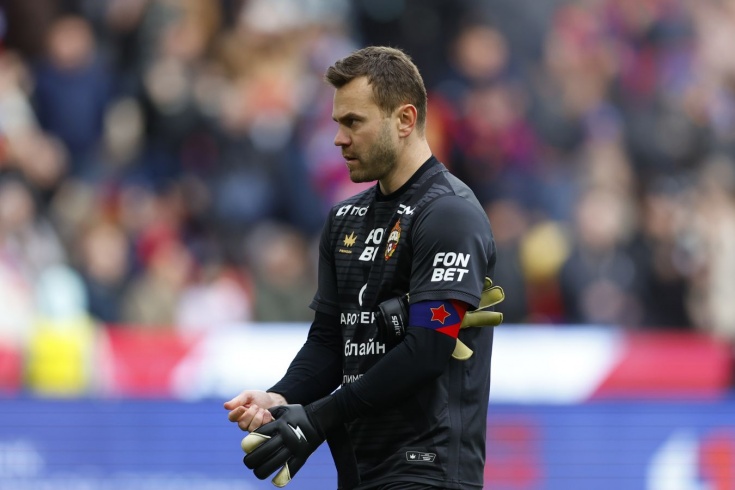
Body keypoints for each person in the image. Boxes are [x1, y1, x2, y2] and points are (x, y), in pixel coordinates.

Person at [225, 46, 500, 490]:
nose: (339, 138)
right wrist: (281, 395)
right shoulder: (343, 219)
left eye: (353, 122)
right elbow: (330, 342)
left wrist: (318, 419)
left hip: (427, 469)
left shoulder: (449, 214)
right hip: (360, 469)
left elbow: (429, 349)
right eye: (337, 123)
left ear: (405, 120)